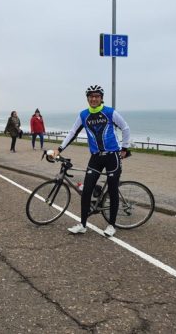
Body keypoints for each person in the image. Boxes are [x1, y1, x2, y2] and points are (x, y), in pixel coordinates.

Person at [51, 85, 130, 237]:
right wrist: (59, 149)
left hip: (112, 156)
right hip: (95, 157)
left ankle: (112, 225)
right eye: (91, 96)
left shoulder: (109, 112)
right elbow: (72, 133)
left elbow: (125, 128)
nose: (94, 99)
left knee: (113, 191)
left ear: (101, 98)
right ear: (87, 98)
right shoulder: (83, 115)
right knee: (86, 190)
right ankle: (82, 224)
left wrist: (125, 149)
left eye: (97, 96)